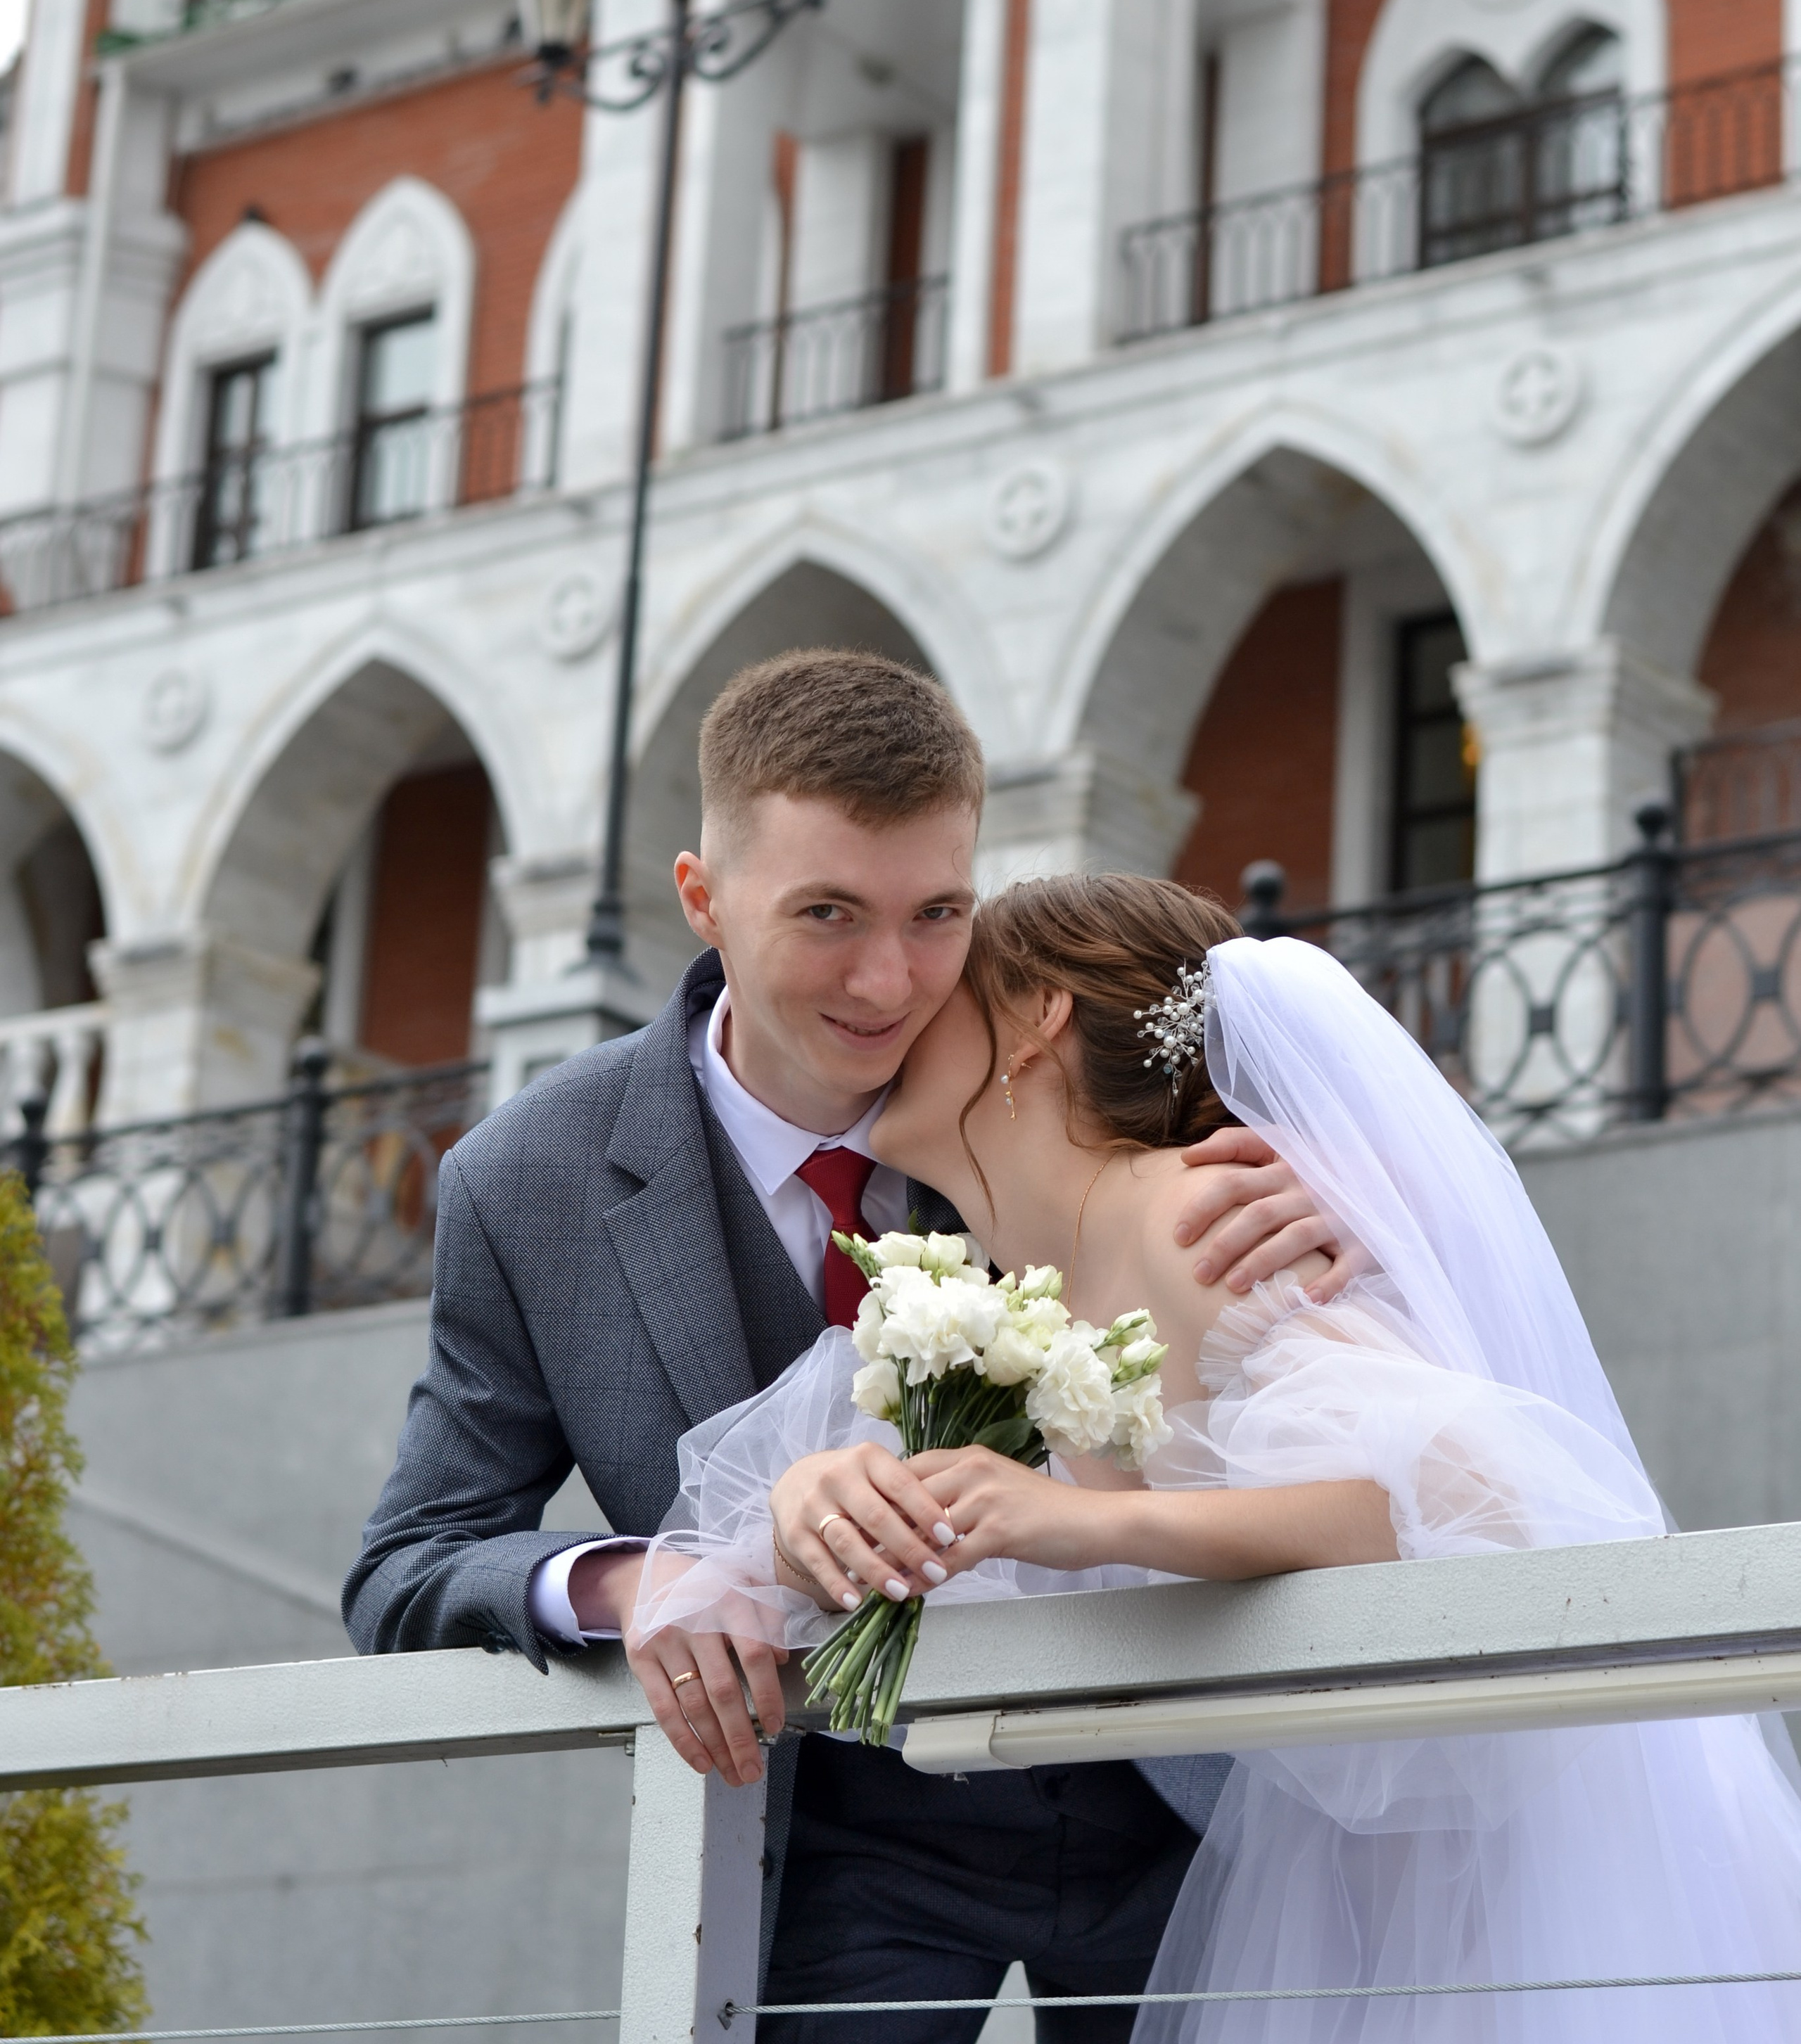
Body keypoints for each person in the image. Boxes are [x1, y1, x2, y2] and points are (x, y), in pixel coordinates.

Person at [344, 652, 1354, 2044]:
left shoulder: (1041, 1057)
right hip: (834, 1852)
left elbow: (1297, 1298)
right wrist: (638, 1580)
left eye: (937, 913)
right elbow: (410, 1556)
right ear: (700, 896)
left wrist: (1335, 1221)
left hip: (1179, 1802)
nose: (889, 982)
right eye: (825, 913)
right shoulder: (526, 1182)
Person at [637, 873, 1801, 2042]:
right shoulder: (1024, 1282)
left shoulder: (1205, 1223)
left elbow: (1472, 1495)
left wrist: (1083, 1521)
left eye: (948, 987)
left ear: (1038, 1019)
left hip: (1485, 1905)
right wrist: (807, 1504)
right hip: (1341, 1892)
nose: (897, 1015)